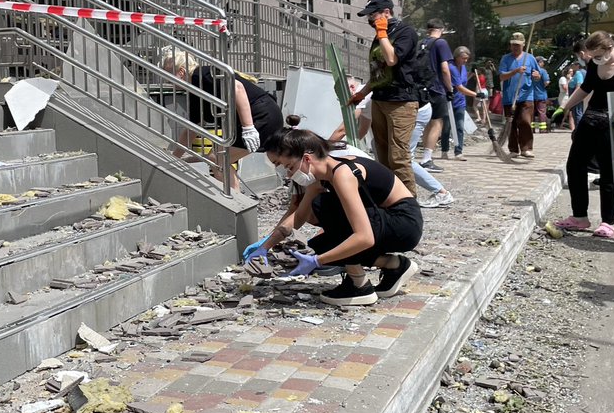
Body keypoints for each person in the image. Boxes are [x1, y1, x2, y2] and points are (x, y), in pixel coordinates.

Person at [247, 122, 423, 306]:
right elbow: (299, 218)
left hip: (403, 222)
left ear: (307, 159)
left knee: (327, 214)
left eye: (289, 167)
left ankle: (359, 286)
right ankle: (394, 265)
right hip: (388, 220)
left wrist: (317, 261)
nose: (289, 175)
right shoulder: (323, 176)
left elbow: (364, 237)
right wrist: (264, 247)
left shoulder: (342, 174)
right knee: (321, 230)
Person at [551, 31, 614, 238]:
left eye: (598, 55)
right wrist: (565, 107)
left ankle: (607, 222)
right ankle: (579, 216)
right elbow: (586, 88)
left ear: (608, 48)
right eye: (592, 56)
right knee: (575, 165)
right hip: (591, 119)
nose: (595, 60)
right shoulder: (595, 65)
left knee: (608, 173)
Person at [163, 49, 284, 189]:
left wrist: (248, 127)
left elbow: (237, 88)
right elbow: (192, 129)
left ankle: (236, 202)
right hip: (264, 114)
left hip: (261, 116)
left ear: (181, 72)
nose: (167, 81)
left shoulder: (202, 75)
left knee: (218, 158)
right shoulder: (195, 90)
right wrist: (174, 158)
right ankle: (237, 200)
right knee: (218, 158)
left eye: (168, 75)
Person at [348, 0, 421, 194]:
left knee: (398, 155)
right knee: (382, 153)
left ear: (386, 12)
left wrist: (382, 33)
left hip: (400, 102)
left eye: (372, 15)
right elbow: (379, 72)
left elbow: (391, 60)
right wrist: (362, 94)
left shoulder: (405, 32)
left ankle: (407, 200)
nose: (369, 20)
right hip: (380, 99)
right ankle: (390, 196)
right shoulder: (380, 35)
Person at [339, 84, 455, 208]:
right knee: (378, 145)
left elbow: (343, 128)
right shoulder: (365, 98)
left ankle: (441, 192)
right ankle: (390, 191)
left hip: (416, 110)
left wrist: (327, 147)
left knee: (402, 156)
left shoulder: (361, 96)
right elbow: (362, 130)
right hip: (406, 108)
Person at [417, 19, 454, 170]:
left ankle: (420, 156)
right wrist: (450, 89)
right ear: (442, 29)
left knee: (426, 122)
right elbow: (445, 69)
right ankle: (426, 159)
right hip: (436, 88)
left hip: (421, 88)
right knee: (437, 122)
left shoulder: (420, 43)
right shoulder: (441, 43)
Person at [498, 32, 540, 157]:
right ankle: (513, 150)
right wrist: (516, 71)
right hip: (510, 97)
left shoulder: (530, 58)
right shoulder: (505, 59)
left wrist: (537, 76)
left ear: (523, 45)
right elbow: (501, 77)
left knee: (525, 121)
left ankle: (526, 148)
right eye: (513, 45)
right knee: (511, 123)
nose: (515, 47)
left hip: (526, 95)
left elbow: (537, 75)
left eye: (518, 45)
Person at [442, 47, 476, 161]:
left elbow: (463, 82)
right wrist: (476, 95)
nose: (465, 61)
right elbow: (460, 87)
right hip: (449, 101)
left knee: (460, 126)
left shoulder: (463, 68)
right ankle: (444, 150)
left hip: (460, 102)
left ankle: (458, 152)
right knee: (446, 127)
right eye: (463, 58)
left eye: (467, 59)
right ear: (457, 57)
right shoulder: (451, 67)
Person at [532, 56, 551, 134]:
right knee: (542, 112)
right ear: (539, 62)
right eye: (543, 62)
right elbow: (546, 82)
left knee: (531, 112)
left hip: (531, 95)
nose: (543, 63)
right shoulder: (543, 71)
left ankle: (531, 129)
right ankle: (542, 129)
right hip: (541, 94)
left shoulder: (530, 71)